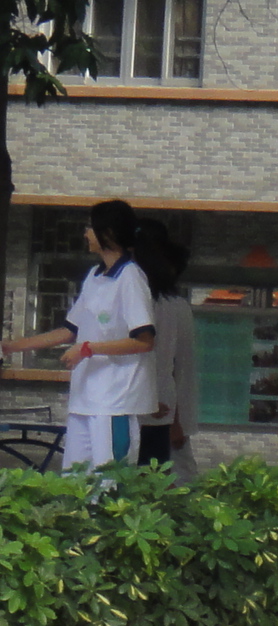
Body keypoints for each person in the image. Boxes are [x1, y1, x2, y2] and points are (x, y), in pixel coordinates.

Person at [4, 199, 157, 469]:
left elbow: (144, 340)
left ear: (107, 233)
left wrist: (88, 349)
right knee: (76, 481)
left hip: (115, 402)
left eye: (90, 227)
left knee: (110, 481)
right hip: (84, 400)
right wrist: (11, 347)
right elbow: (69, 331)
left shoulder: (131, 277)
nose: (86, 233)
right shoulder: (94, 276)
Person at [132, 218, 196, 472]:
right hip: (157, 407)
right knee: (158, 478)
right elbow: (179, 367)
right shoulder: (172, 304)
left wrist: (175, 420)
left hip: (152, 408)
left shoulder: (154, 303)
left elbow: (175, 365)